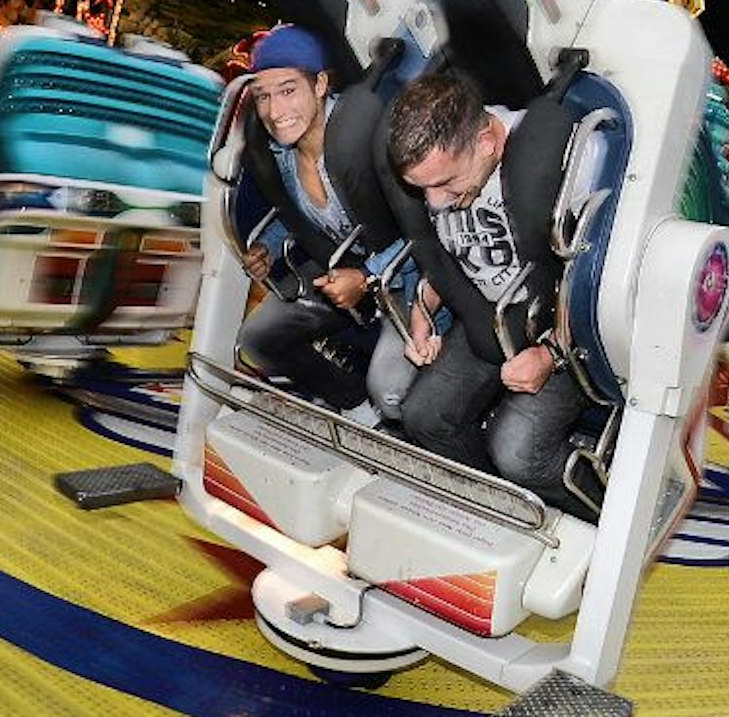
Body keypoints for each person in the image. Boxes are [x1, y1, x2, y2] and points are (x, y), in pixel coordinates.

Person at [385, 71, 595, 518]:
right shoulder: (440, 173)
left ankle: (599, 517)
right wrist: (424, 309)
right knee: (423, 415)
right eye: (423, 190)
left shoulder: (565, 163)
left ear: (486, 141)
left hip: (561, 330)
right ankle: (499, 513)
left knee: (518, 452)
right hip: (487, 317)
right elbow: (454, 253)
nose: (436, 201)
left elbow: (601, 281)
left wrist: (552, 354)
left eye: (445, 183)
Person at [234, 26, 381, 426]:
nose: (275, 112)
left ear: (320, 84)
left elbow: (419, 227)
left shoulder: (361, 137)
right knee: (258, 339)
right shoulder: (281, 153)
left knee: (393, 385)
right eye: (263, 96)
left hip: (400, 277)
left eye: (287, 90)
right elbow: (295, 215)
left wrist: (368, 277)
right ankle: (357, 408)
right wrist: (266, 245)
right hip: (336, 268)